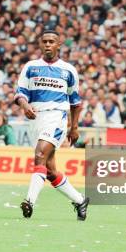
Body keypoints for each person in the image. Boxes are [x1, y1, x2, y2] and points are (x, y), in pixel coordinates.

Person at [15, 29, 89, 220]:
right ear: (40, 44)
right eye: (45, 41)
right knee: (49, 170)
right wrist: (25, 106)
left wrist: (74, 128)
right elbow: (20, 93)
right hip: (35, 118)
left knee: (39, 156)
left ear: (59, 45)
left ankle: (29, 201)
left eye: (51, 41)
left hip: (56, 118)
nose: (48, 44)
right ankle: (80, 200)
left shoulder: (69, 70)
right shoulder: (31, 67)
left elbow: (76, 103)